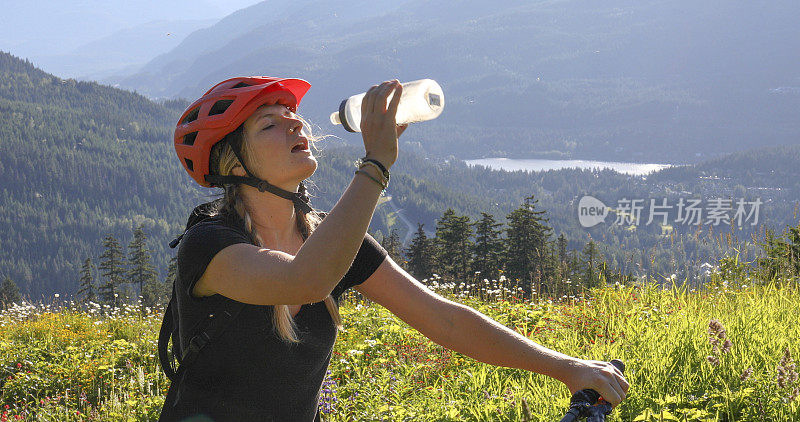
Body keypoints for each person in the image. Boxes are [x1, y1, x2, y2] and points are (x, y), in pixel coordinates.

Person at [160, 76, 628, 421]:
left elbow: (443, 319)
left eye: (294, 117)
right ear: (232, 162)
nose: (295, 126)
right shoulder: (210, 245)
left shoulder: (334, 244)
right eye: (270, 125)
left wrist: (566, 367)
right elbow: (304, 279)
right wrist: (377, 163)